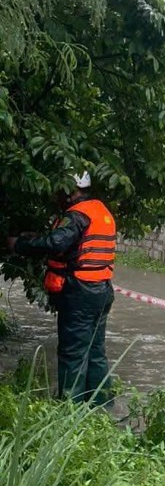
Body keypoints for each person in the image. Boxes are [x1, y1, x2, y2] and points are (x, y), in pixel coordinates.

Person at [7, 172, 117, 404]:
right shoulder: (100, 210)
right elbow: (74, 244)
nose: (57, 195)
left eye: (61, 190)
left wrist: (21, 245)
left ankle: (70, 410)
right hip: (101, 290)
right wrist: (42, 236)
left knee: (73, 353)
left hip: (80, 293)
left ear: (71, 190)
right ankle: (101, 407)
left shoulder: (77, 215)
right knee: (96, 352)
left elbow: (57, 242)